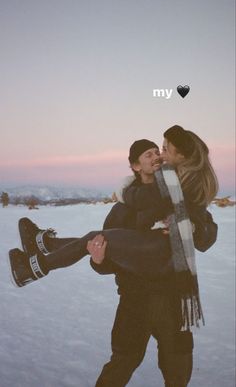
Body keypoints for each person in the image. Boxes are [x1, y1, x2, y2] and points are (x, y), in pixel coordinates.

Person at [9, 126, 218, 386]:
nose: (158, 157)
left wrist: (193, 226)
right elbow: (107, 260)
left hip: (174, 299)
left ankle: (42, 248)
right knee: (121, 365)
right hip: (135, 301)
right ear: (135, 166)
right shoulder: (124, 209)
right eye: (150, 154)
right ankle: (43, 247)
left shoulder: (178, 192)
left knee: (178, 371)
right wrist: (99, 260)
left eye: (161, 150)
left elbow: (208, 236)